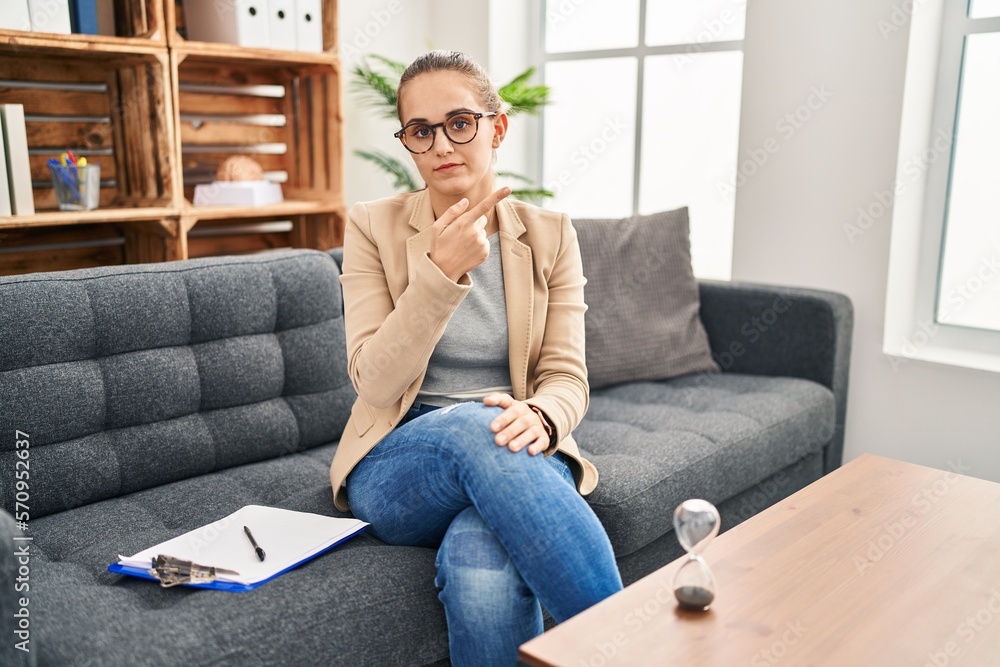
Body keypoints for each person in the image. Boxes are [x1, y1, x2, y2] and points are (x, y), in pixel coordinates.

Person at [329, 50, 623, 666]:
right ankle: (626, 651)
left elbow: (566, 376)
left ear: (497, 126)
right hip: (396, 465)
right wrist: (440, 273)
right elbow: (375, 382)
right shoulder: (372, 227)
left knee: (482, 562)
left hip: (519, 445)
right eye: (420, 131)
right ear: (407, 142)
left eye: (460, 122)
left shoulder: (550, 234)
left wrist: (543, 417)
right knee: (473, 425)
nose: (441, 144)